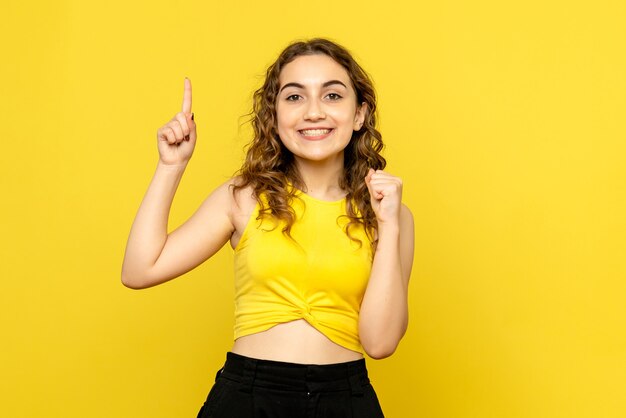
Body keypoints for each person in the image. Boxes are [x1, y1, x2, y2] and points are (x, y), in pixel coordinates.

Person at [121, 38, 414, 418]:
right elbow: (140, 270)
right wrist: (170, 166)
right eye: (294, 97)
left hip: (346, 399)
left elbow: (380, 343)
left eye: (332, 96)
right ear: (274, 115)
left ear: (359, 114)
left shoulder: (391, 213)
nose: (313, 112)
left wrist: (388, 225)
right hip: (248, 398)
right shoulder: (243, 196)